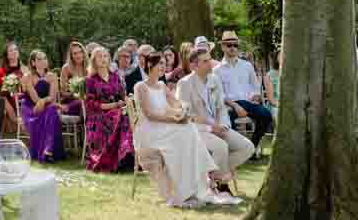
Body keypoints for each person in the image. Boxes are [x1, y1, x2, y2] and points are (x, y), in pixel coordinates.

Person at [131, 65, 232, 208]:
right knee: (183, 134)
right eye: (158, 64)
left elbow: (176, 103)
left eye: (163, 65)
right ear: (149, 66)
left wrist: (184, 110)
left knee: (188, 129)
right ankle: (197, 179)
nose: (162, 68)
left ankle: (197, 182)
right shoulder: (140, 86)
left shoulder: (161, 85)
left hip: (164, 128)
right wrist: (175, 119)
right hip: (149, 131)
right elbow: (149, 115)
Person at [177, 46, 255, 187]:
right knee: (221, 147)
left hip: (218, 126)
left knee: (247, 147)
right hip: (197, 130)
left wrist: (224, 125)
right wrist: (212, 128)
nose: (210, 63)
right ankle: (222, 184)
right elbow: (187, 115)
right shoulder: (184, 84)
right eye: (205, 61)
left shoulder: (215, 79)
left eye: (210, 59)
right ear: (194, 65)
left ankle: (214, 174)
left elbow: (221, 107)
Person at [82, 43, 134, 173]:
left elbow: (122, 95)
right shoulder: (90, 80)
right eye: (99, 56)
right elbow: (91, 104)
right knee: (119, 117)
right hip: (97, 115)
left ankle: (127, 157)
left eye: (105, 56)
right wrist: (112, 106)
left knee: (126, 116)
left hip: (116, 110)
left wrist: (125, 101)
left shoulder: (115, 76)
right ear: (94, 60)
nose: (103, 59)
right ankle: (117, 159)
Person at [216, 31, 275, 140]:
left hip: (248, 103)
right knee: (227, 122)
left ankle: (252, 146)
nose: (233, 48)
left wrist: (256, 96)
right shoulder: (217, 70)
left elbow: (255, 86)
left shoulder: (247, 66)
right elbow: (219, 94)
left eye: (235, 45)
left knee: (266, 115)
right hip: (229, 106)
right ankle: (237, 148)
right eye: (229, 45)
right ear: (223, 47)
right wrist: (235, 106)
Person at [16, 47, 64, 162]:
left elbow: (52, 97)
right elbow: (35, 99)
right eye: (39, 59)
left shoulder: (52, 76)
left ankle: (48, 150)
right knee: (51, 111)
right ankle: (49, 150)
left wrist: (44, 101)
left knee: (51, 110)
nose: (43, 61)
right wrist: (42, 101)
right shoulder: (28, 77)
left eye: (45, 58)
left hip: (47, 106)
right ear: (33, 63)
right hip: (30, 108)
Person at [0, 41, 27, 134]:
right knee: (5, 101)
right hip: (7, 98)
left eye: (15, 49)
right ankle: (22, 127)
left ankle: (24, 128)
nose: (14, 52)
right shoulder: (2, 70)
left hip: (22, 98)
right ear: (7, 55)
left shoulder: (24, 69)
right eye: (11, 50)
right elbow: (1, 91)